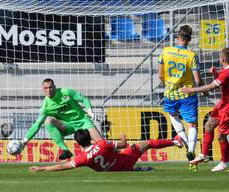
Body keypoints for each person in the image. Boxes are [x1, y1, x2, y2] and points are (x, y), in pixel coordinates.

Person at [20, 78, 103, 160]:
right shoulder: (46, 106)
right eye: (46, 88)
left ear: (54, 87)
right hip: (68, 126)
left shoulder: (66, 92)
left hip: (83, 121)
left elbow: (83, 99)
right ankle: (65, 150)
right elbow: (36, 125)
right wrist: (24, 142)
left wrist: (90, 111)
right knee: (48, 121)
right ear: (43, 89)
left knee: (102, 145)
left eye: (50, 87)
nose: (48, 90)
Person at [29, 129, 183, 173]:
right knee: (145, 143)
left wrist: (43, 167)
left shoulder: (82, 158)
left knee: (118, 155)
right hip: (124, 161)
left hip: (113, 170)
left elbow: (62, 166)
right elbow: (123, 144)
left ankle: (138, 169)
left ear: (78, 143)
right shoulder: (102, 144)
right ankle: (175, 141)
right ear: (90, 137)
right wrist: (123, 135)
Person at [158, 25, 206, 164]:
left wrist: (167, 84)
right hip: (187, 93)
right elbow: (197, 80)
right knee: (192, 124)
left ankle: (184, 140)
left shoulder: (165, 51)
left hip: (170, 92)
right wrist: (203, 89)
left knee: (172, 115)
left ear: (178, 37)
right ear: (189, 39)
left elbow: (160, 75)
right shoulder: (191, 55)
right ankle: (191, 148)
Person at [181, 47, 229, 172]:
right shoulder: (224, 72)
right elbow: (223, 82)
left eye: (220, 57)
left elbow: (210, 87)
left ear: (223, 59)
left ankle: (225, 162)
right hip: (223, 104)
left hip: (228, 108)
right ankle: (204, 154)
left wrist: (191, 90)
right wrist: (216, 74)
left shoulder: (226, 73)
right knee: (209, 125)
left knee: (222, 137)